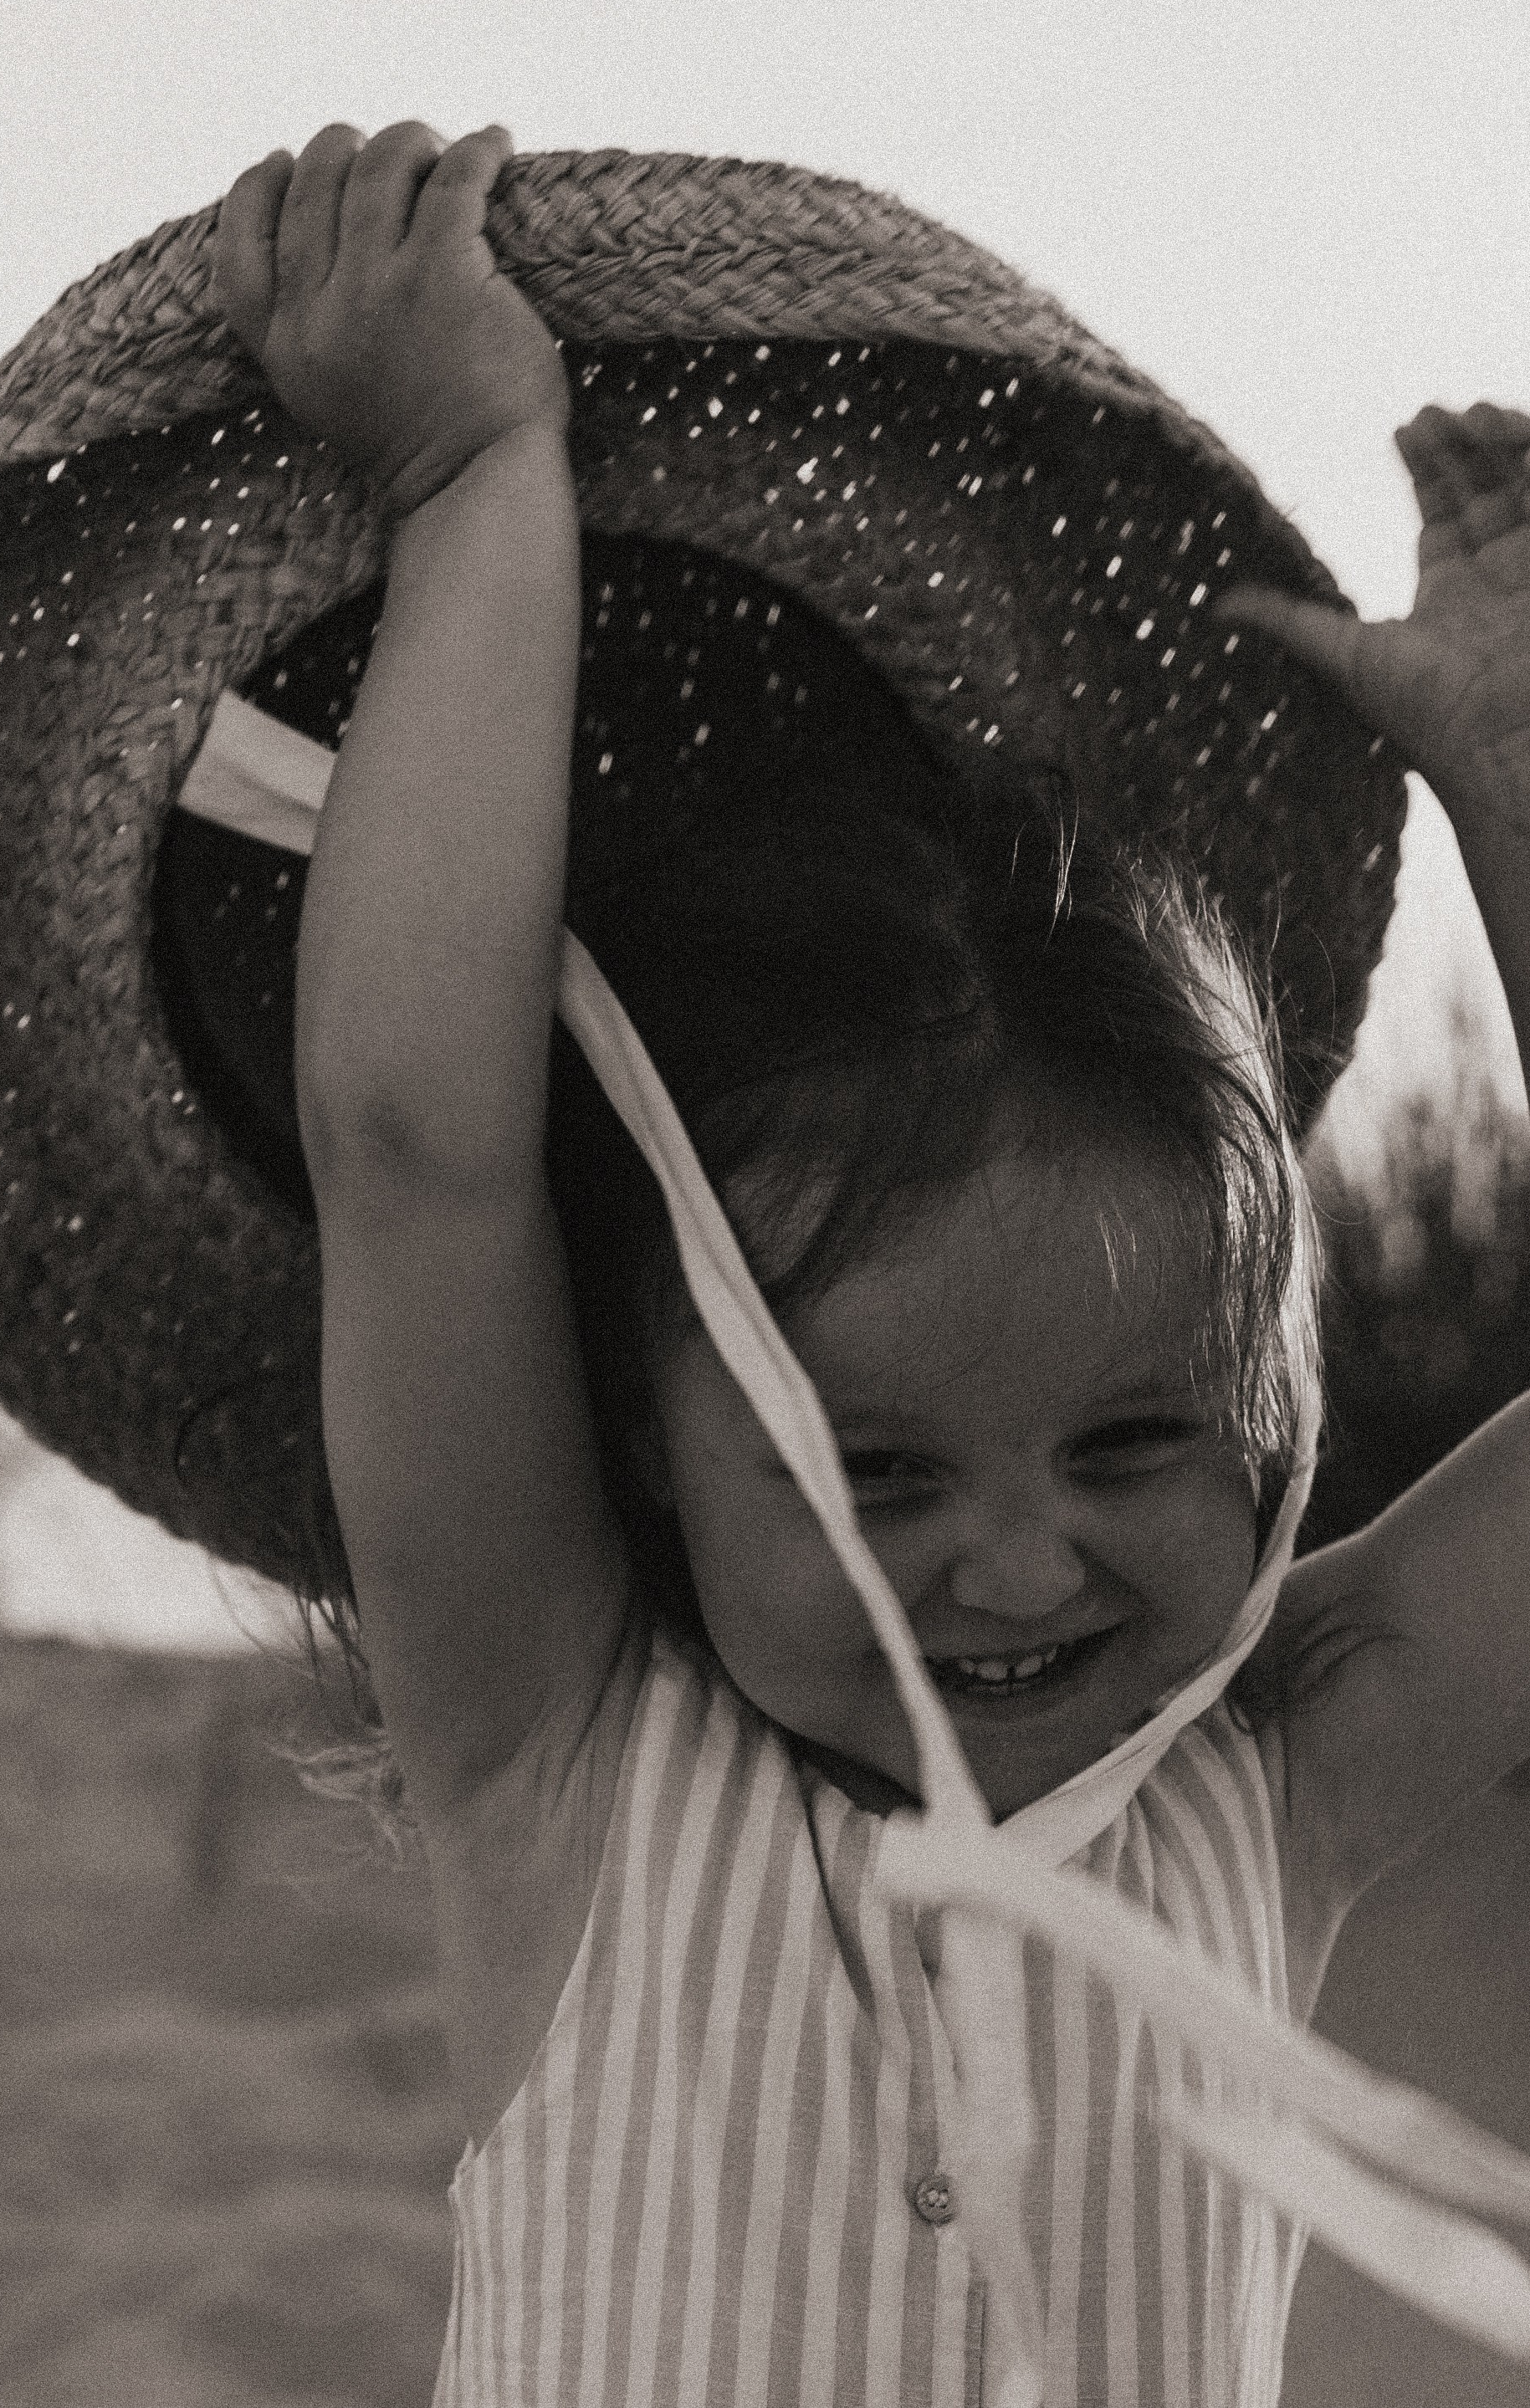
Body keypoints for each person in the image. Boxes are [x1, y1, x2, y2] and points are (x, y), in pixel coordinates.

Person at [213, 118, 1530, 2406]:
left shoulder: (1285, 1769)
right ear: (647, 1428)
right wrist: (469, 483)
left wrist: (1510, 806)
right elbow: (418, 1148)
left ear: (1270, 1408)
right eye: (873, 1475)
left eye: (1132, 1435)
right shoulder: (557, 1735)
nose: (1014, 1562)